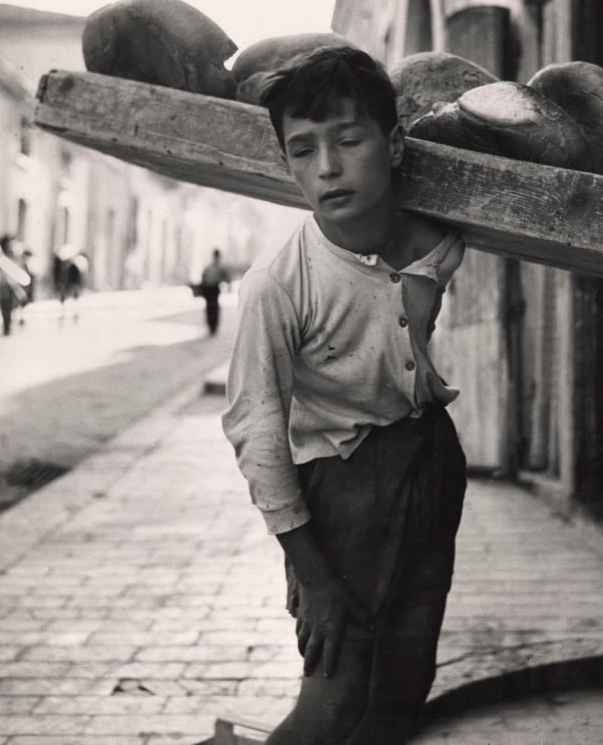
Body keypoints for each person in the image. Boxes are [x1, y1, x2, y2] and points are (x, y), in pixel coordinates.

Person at [222, 46, 468, 745]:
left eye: (348, 140)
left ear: (391, 145)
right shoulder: (279, 282)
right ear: (286, 164)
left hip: (428, 459)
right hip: (339, 486)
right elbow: (255, 431)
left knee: (400, 691)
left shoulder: (441, 235)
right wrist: (314, 577)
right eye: (302, 150)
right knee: (333, 701)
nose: (326, 167)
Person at [199, 249, 229, 335]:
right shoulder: (218, 267)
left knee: (211, 307)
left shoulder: (211, 267)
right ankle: (212, 326)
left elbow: (203, 277)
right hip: (211, 289)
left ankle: (212, 326)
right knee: (212, 307)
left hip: (211, 289)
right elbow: (226, 277)